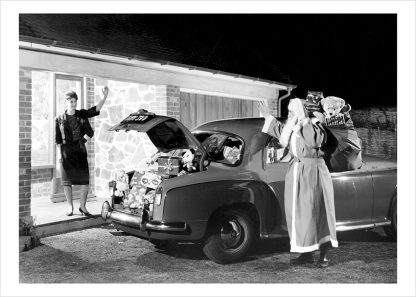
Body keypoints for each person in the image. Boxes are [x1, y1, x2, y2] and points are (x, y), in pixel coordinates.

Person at [257, 98, 338, 268]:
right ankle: (306, 253)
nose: (289, 115)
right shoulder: (294, 126)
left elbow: (314, 140)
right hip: (297, 173)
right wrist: (268, 116)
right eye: (289, 112)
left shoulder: (314, 125)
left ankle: (323, 254)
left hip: (313, 174)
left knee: (317, 213)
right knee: (300, 216)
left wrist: (302, 121)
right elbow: (280, 131)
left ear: (301, 111)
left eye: (292, 111)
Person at [55, 86, 109, 216]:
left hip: (80, 152)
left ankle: (83, 207)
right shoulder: (59, 119)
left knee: (84, 180)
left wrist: (104, 97)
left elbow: (95, 109)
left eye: (75, 101)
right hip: (66, 153)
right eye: (71, 101)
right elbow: (57, 140)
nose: (73, 104)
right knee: (67, 182)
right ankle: (69, 206)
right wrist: (59, 155)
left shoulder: (81, 114)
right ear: (66, 102)